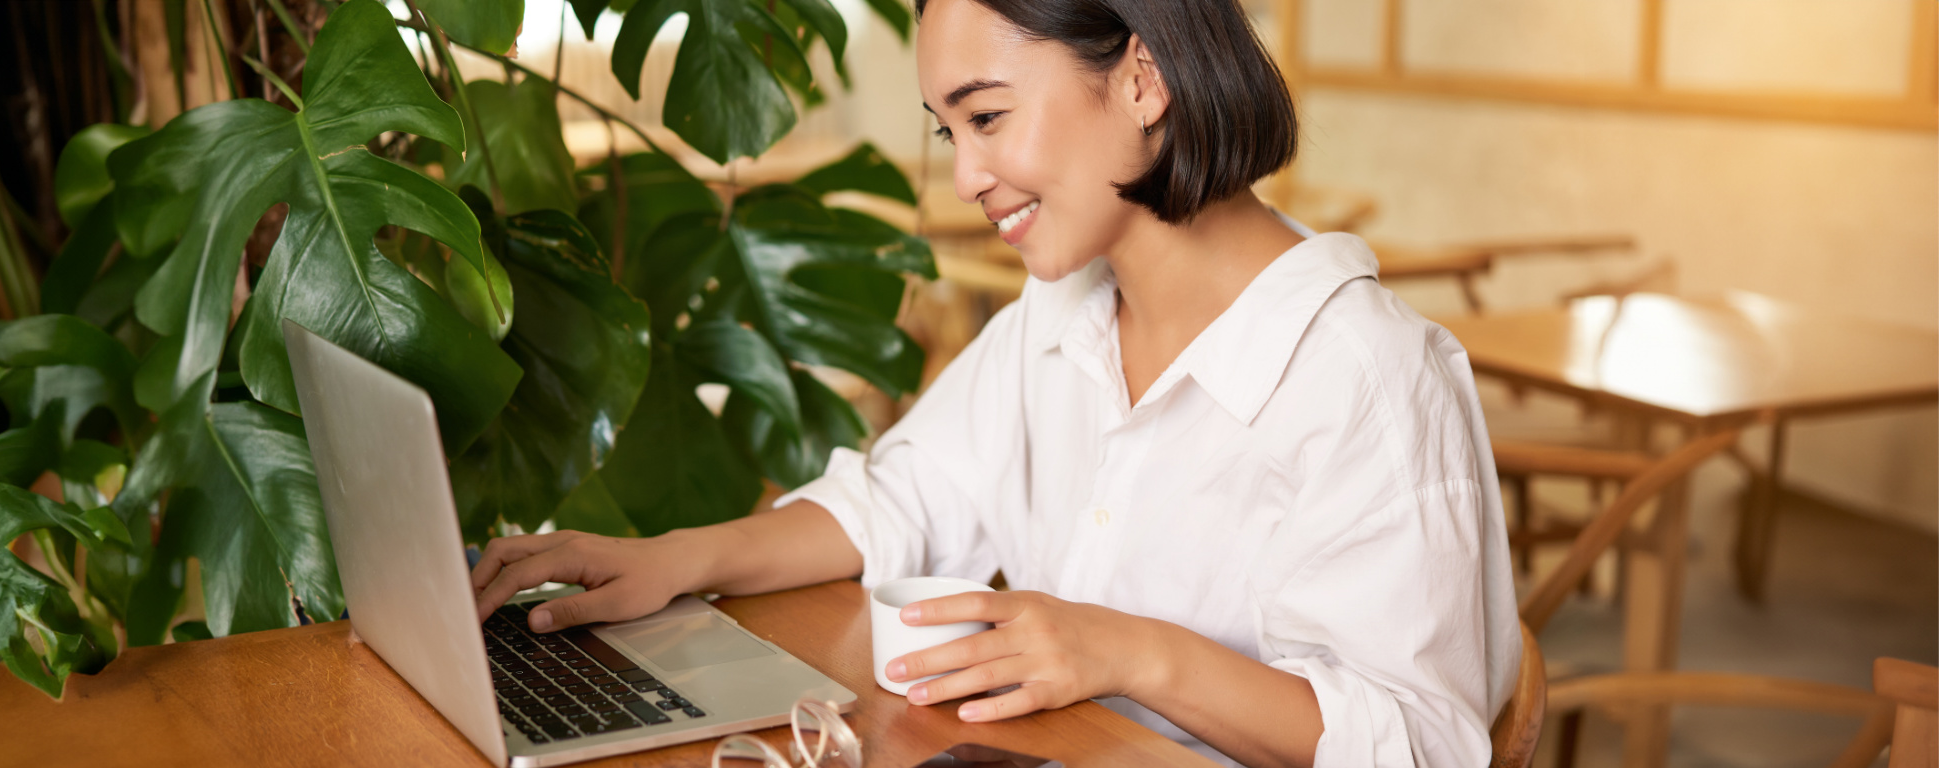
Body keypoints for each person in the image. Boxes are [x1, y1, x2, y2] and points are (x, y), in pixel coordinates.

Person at [468, 0, 1519, 765]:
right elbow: (903, 501)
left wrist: (1131, 653)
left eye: (987, 117)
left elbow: (1420, 742)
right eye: (949, 130)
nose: (967, 176)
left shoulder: (1362, 375)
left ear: (1143, 81)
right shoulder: (1060, 320)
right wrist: (671, 561)